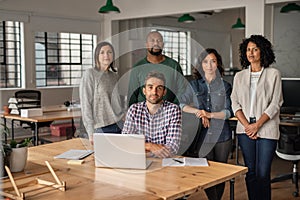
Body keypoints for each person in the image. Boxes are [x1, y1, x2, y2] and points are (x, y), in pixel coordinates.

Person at [231, 35, 283, 200]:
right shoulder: (239, 76)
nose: (251, 53)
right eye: (248, 50)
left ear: (263, 51)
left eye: (255, 49)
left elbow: (276, 103)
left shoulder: (273, 74)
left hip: (266, 128)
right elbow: (235, 103)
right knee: (251, 172)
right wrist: (248, 125)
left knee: (262, 173)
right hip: (245, 129)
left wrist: (257, 125)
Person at [180, 48, 233, 200]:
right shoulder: (194, 85)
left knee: (221, 172)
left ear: (218, 64)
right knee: (208, 171)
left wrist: (209, 114)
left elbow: (229, 112)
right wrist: (198, 112)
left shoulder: (226, 86)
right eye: (205, 62)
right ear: (201, 65)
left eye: (213, 61)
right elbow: (181, 104)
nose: (209, 65)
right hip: (202, 134)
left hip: (222, 134)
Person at [122, 71, 182, 158]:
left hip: (164, 164)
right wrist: (150, 146)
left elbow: (172, 148)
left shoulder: (173, 110)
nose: (154, 92)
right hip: (137, 161)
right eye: (150, 87)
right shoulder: (134, 110)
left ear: (164, 92)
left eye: (159, 88)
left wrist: (140, 149)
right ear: (144, 91)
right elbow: (125, 142)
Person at [80, 41, 124, 144]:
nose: (106, 55)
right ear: (96, 56)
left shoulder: (114, 76)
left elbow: (116, 102)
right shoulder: (90, 74)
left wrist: (123, 115)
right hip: (100, 127)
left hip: (118, 124)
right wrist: (90, 132)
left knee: (119, 158)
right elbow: (86, 104)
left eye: (109, 52)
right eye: (102, 52)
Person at [127, 31, 185, 107]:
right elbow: (132, 94)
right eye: (152, 41)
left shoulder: (174, 65)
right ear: (146, 45)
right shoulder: (137, 67)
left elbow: (182, 90)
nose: (156, 44)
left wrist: (172, 107)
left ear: (163, 45)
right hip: (143, 114)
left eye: (159, 41)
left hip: (169, 113)